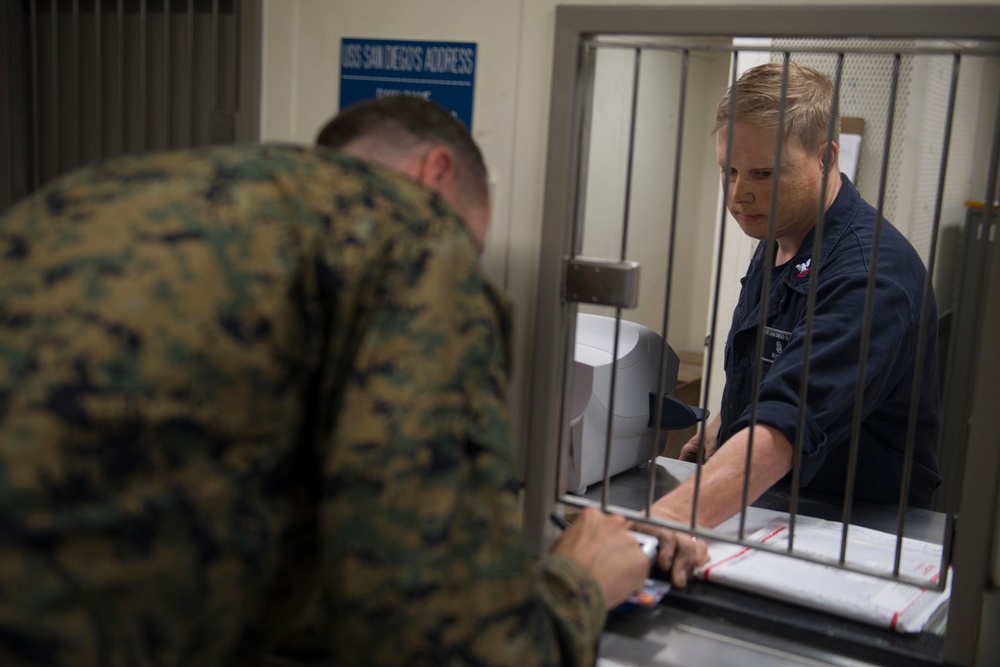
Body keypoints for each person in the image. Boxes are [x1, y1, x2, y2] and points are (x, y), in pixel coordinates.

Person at [0, 96, 705, 667]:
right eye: (474, 241)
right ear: (435, 175)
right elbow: (447, 644)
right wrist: (577, 584)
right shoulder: (411, 240)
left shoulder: (98, 195)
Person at [649, 62, 942, 532]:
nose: (739, 195)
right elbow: (782, 356)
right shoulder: (780, 232)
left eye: (763, 173)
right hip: (774, 503)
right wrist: (727, 423)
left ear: (826, 157)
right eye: (730, 170)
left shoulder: (872, 276)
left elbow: (792, 416)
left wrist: (666, 519)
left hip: (856, 526)